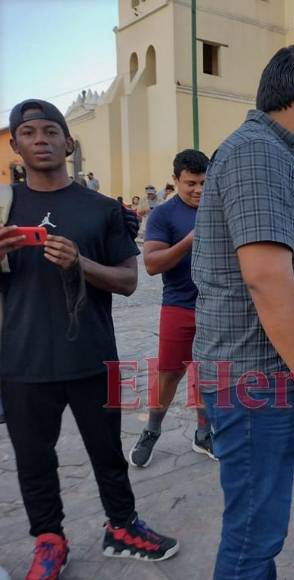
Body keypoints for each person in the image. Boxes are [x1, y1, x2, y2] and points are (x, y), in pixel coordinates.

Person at [0, 99, 178, 579]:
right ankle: (49, 540)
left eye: (51, 131)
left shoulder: (101, 210)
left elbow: (127, 280)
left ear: (69, 142)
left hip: (94, 355)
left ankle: (122, 527)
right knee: (34, 459)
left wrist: (81, 263)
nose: (41, 140)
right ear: (16, 145)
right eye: (30, 132)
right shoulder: (2, 207)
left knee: (108, 452)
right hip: (21, 358)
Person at [192, 44, 294, 579]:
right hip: (259, 384)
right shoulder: (259, 153)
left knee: (260, 532)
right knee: (253, 539)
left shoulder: (278, 154)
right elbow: (266, 278)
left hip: (265, 382)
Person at [129, 149, 215, 467]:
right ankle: (152, 431)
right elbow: (151, 264)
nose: (198, 190)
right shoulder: (163, 215)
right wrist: (190, 240)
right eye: (191, 183)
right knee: (169, 374)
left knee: (209, 374)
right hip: (178, 305)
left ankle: (204, 434)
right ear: (176, 180)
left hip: (215, 307)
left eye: (204, 182)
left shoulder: (217, 208)